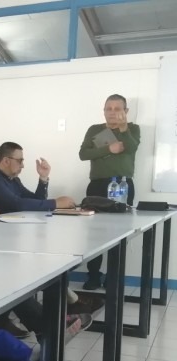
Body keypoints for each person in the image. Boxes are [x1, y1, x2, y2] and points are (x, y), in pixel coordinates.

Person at [79, 94, 141, 290]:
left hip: (122, 185)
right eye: (108, 108)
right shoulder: (95, 129)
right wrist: (108, 149)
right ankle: (93, 276)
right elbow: (83, 154)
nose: (112, 112)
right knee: (94, 235)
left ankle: (114, 277)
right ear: (104, 110)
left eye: (117, 109)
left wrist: (123, 130)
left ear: (126, 111)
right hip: (97, 186)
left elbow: (132, 148)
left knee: (119, 232)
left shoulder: (134, 129)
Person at [0, 142, 76, 214]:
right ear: (6, 161)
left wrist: (43, 178)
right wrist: (55, 203)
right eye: (20, 161)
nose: (23, 165)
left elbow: (37, 199)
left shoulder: (13, 179)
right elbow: (17, 204)